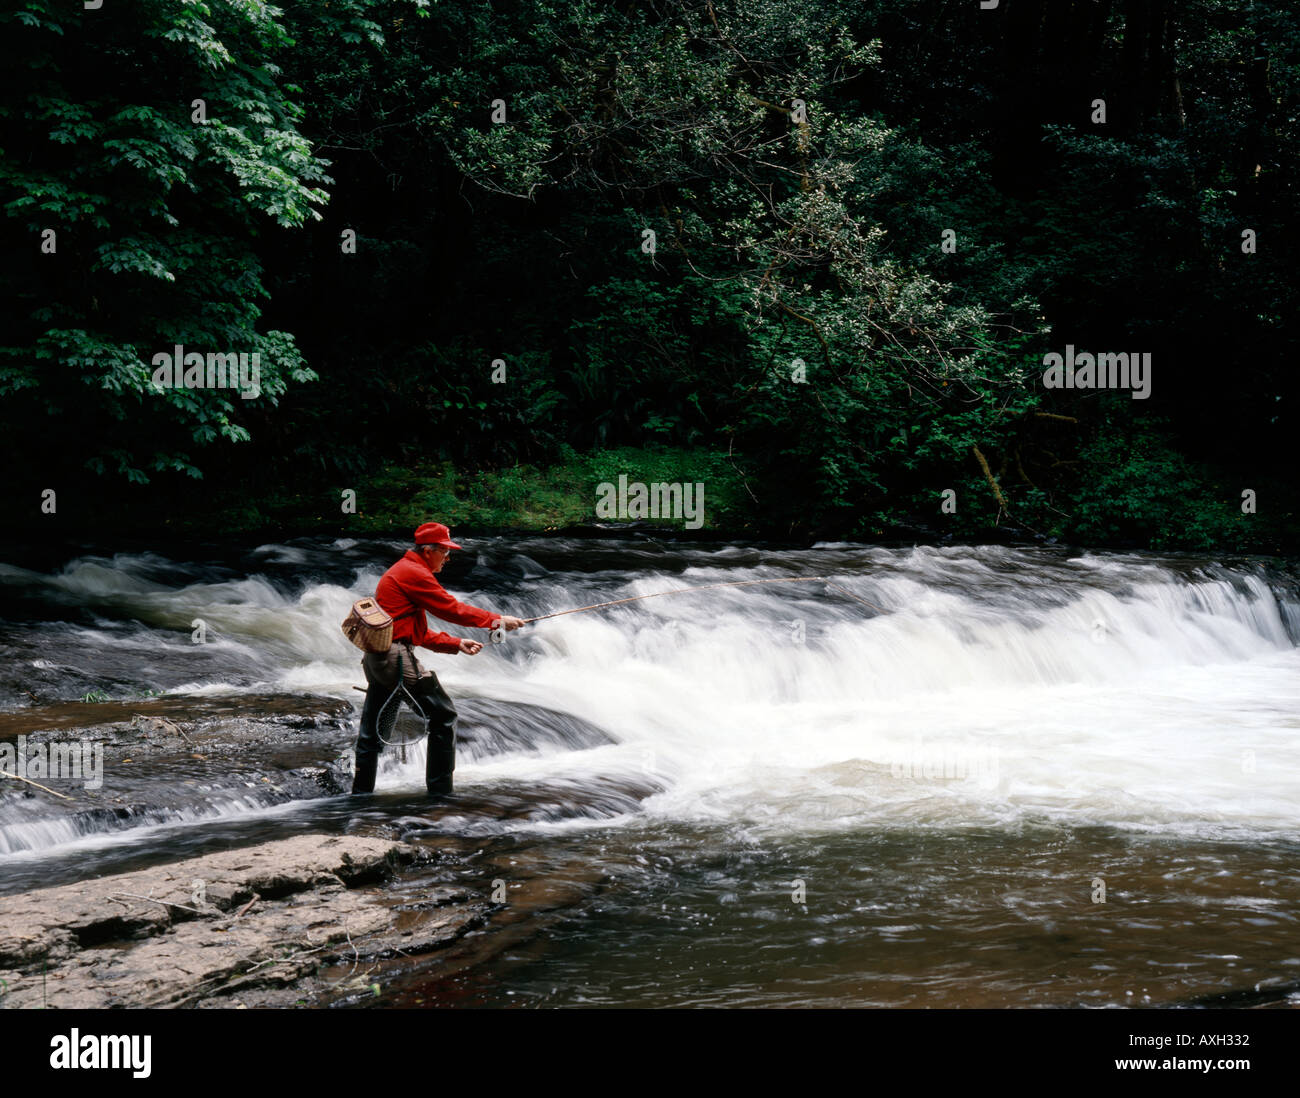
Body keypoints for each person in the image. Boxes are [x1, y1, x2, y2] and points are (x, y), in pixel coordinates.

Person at [351, 522, 525, 796]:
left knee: (373, 732)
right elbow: (451, 608)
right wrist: (497, 620)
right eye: (444, 551)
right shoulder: (414, 573)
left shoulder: (404, 570)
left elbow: (414, 632)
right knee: (443, 716)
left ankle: (360, 796)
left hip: (378, 659)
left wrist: (455, 643)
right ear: (428, 550)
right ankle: (440, 797)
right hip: (395, 660)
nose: (448, 557)